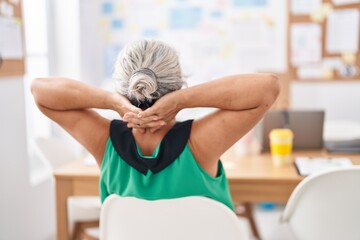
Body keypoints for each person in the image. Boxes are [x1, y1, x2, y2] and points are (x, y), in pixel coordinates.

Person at [31, 39, 279, 211]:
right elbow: (268, 88)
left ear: (122, 89)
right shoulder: (199, 143)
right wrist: (182, 100)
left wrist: (110, 101)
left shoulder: (103, 142)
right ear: (177, 85)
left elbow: (40, 91)